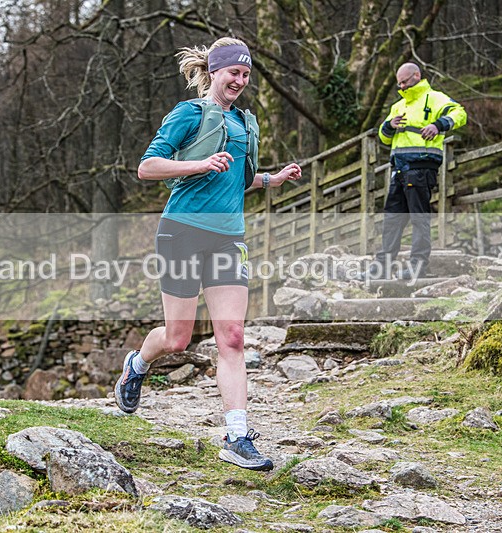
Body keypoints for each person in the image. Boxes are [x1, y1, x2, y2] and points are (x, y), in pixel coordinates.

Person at [114, 37, 302, 471]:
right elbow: (147, 167)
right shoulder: (189, 114)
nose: (240, 80)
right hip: (181, 232)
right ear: (214, 72)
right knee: (178, 338)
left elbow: (237, 180)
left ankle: (237, 436)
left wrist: (273, 179)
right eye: (233, 72)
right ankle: (138, 364)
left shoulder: (245, 123)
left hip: (227, 239)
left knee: (232, 337)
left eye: (246, 74)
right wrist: (199, 164)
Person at [363, 63, 467, 280]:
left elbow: (460, 114)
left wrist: (438, 125)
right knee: (392, 219)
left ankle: (418, 266)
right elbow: (384, 137)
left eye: (405, 81)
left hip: (421, 168)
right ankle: (383, 267)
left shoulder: (436, 98)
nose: (401, 86)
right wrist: (390, 125)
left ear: (417, 76)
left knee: (419, 218)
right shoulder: (397, 106)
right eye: (398, 83)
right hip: (399, 169)